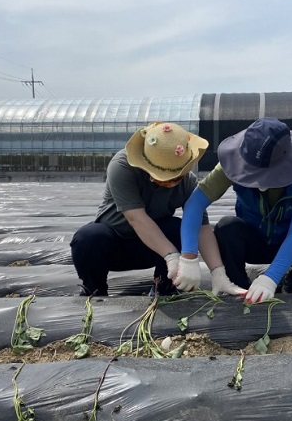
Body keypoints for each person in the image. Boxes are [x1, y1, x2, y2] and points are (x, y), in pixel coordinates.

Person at [70, 122, 244, 297]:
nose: (169, 183)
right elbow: (136, 219)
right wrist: (172, 257)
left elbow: (202, 228)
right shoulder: (123, 166)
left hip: (152, 248)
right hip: (116, 243)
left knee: (177, 228)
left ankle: (163, 288)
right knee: (88, 238)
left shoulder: (187, 182)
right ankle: (95, 289)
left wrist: (218, 273)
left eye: (175, 177)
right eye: (161, 177)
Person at [176, 117, 292, 303]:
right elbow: (195, 204)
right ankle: (238, 288)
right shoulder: (232, 164)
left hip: (289, 243)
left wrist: (271, 277)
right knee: (227, 227)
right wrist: (189, 256)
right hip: (253, 239)